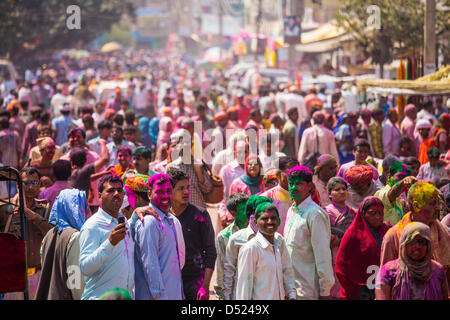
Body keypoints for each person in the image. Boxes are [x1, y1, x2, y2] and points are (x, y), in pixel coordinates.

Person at [380, 182, 450, 287]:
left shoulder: (444, 233)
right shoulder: (393, 236)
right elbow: (385, 279)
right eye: (432, 203)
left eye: (438, 203)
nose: (437, 208)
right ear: (416, 206)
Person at [78, 175, 134, 300]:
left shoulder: (123, 221)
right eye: (110, 190)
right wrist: (110, 243)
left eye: (120, 190)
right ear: (99, 196)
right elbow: (85, 268)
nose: (116, 194)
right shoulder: (92, 226)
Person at [0, 167, 52, 300]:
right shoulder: (5, 207)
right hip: (13, 274)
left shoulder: (44, 208)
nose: (30, 187)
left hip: (38, 273)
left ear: (40, 185)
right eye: (26, 183)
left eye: (34, 183)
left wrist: (34, 217)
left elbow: (53, 234)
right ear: (18, 184)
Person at [284, 166, 334, 300]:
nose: (294, 188)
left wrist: (325, 291)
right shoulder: (291, 211)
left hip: (308, 291)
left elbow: (323, 255)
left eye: (299, 184)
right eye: (291, 184)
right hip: (292, 289)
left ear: (309, 186)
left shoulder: (315, 214)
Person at [166, 168, 216, 300]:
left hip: (195, 283)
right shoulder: (163, 217)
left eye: (187, 187)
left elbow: (210, 252)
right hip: (170, 282)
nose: (186, 192)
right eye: (180, 188)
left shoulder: (200, 215)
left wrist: (205, 286)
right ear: (170, 190)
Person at [134, 173, 184, 300]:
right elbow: (151, 267)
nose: (166, 196)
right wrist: (161, 297)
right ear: (149, 194)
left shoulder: (170, 220)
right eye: (160, 192)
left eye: (169, 191)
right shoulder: (150, 222)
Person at [236, 202, 296, 300]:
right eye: (264, 218)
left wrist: (292, 294)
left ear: (279, 221)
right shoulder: (251, 249)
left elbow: (287, 271)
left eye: (273, 218)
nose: (270, 221)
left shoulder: (278, 244)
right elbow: (244, 289)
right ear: (255, 222)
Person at [376, 222, 449, 300]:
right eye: (411, 241)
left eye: (421, 241)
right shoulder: (388, 271)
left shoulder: (437, 270)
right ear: (404, 244)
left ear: (428, 245)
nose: (417, 246)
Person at [36, 189, 87, 300]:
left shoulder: (50, 234)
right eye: (83, 205)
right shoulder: (75, 237)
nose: (85, 210)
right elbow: (75, 282)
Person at [335, 196, 390, 300]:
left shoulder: (386, 232)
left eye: (380, 213)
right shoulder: (353, 234)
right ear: (363, 214)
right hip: (357, 291)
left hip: (381, 288)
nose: (378, 217)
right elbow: (340, 266)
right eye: (372, 213)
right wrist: (356, 290)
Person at [222, 195, 273, 300]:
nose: (268, 220)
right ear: (252, 216)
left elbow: (284, 272)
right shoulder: (235, 239)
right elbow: (229, 272)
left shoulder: (277, 240)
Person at [324, 177, 357, 298]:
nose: (341, 192)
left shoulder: (353, 212)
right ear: (329, 194)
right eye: (337, 189)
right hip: (333, 255)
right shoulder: (325, 212)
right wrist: (337, 238)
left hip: (350, 255)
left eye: (344, 189)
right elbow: (324, 235)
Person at [214, 193, 249, 300]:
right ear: (233, 213)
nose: (248, 211)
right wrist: (220, 291)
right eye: (243, 209)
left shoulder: (260, 231)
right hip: (235, 289)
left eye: (248, 207)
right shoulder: (224, 237)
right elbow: (221, 265)